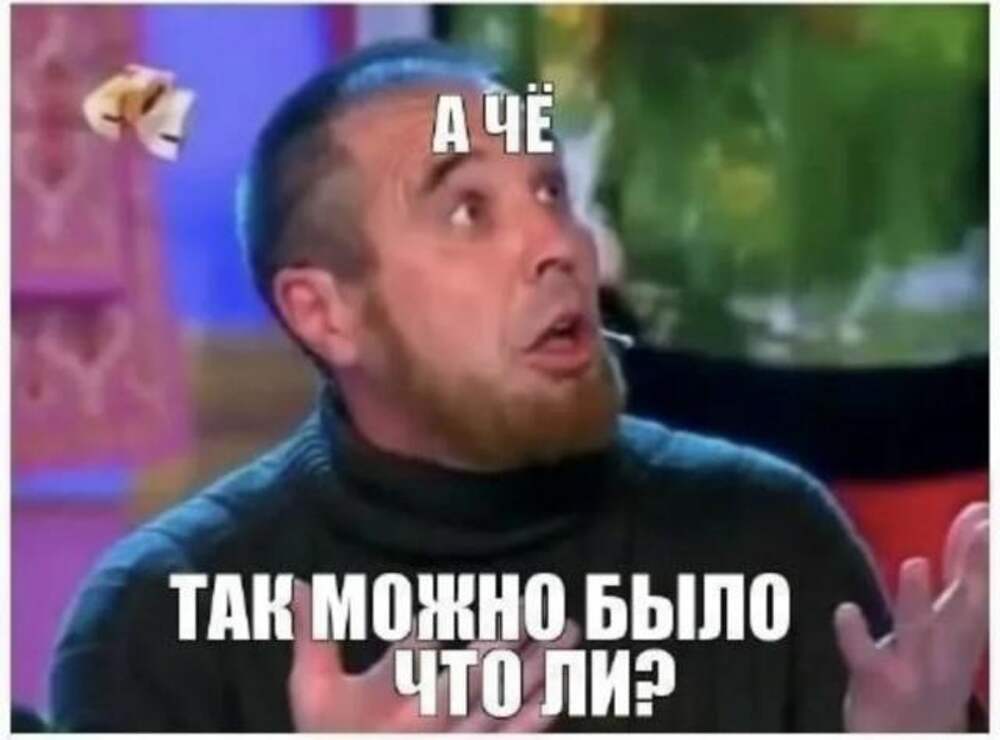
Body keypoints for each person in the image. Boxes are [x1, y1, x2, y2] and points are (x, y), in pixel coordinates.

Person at [49, 40, 988, 732]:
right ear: (324, 313)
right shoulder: (158, 624)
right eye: (468, 210)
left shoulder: (771, 540)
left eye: (550, 193)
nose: (558, 246)